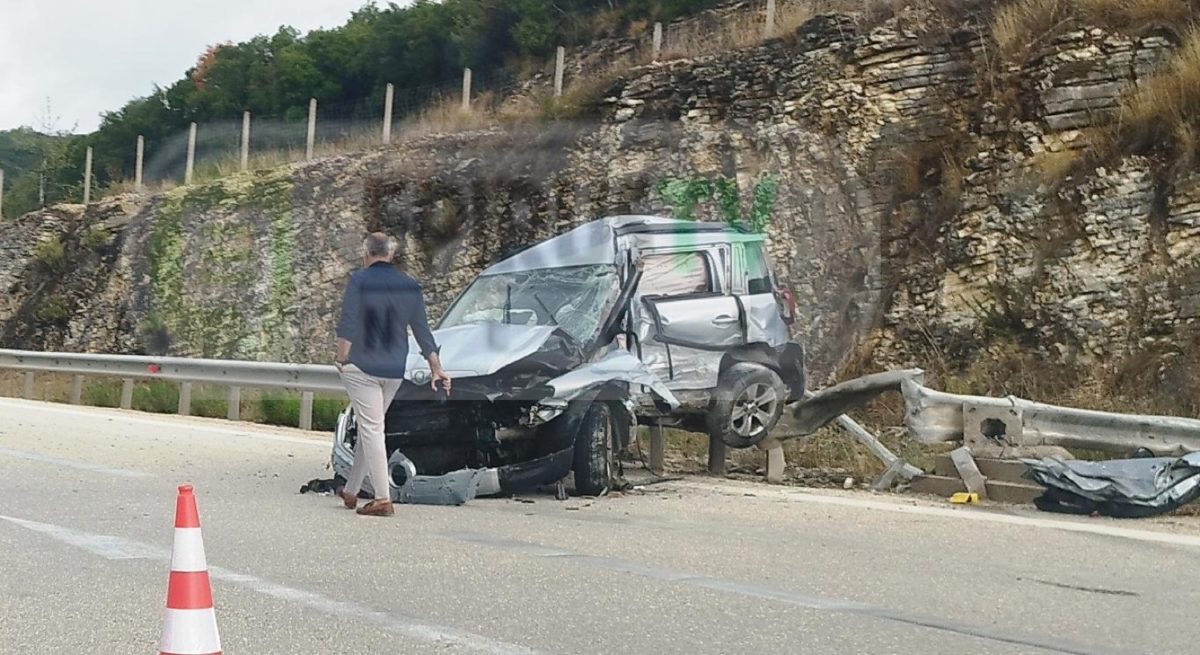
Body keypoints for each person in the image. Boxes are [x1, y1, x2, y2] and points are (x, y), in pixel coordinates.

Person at [334, 233, 451, 517]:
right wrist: (436, 367)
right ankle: (351, 490)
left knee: (372, 428)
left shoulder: (360, 281)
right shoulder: (409, 286)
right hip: (395, 368)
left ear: (366, 254)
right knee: (370, 426)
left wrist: (341, 358)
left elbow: (348, 322)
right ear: (391, 255)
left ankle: (382, 498)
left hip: (363, 366)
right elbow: (422, 330)